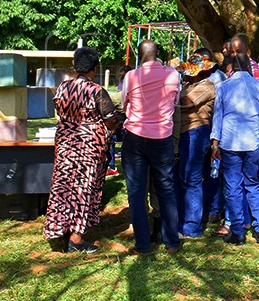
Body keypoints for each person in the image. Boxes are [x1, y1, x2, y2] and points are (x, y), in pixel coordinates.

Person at [44, 47, 118, 253]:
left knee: (63, 187)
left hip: (66, 144)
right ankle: (76, 239)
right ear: (94, 68)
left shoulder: (62, 87)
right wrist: (110, 128)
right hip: (88, 147)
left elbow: (60, 111)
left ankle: (61, 230)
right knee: (83, 189)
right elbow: (111, 118)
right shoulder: (96, 91)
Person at [121, 40, 182, 255]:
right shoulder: (173, 75)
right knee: (166, 189)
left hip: (135, 137)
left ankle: (143, 245)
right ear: (158, 55)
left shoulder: (131, 77)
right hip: (162, 137)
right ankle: (172, 242)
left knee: (136, 193)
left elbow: (123, 104)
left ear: (139, 56)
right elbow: (174, 104)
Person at [211, 53, 259, 246]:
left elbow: (217, 117)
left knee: (233, 187)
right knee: (253, 184)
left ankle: (238, 232)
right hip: (252, 142)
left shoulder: (224, 87)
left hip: (230, 144)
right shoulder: (257, 86)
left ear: (231, 68)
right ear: (247, 67)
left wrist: (215, 143)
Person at [174, 55, 218, 238]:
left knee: (191, 179)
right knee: (181, 178)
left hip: (196, 133)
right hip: (184, 134)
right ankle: (182, 221)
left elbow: (186, 103)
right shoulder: (187, 86)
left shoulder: (206, 86)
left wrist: (170, 95)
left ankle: (192, 227)